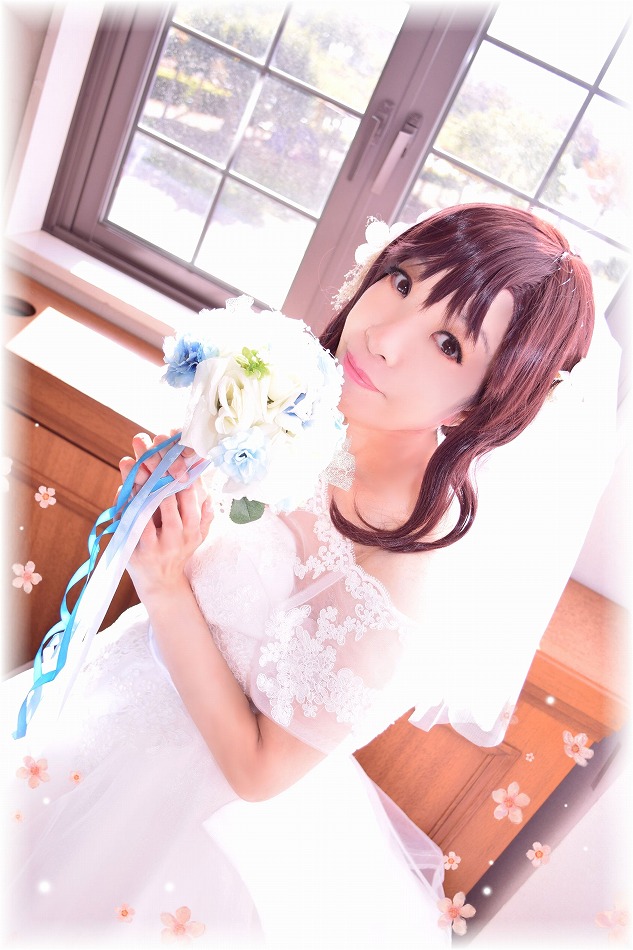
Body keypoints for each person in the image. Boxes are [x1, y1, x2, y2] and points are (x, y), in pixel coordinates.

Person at [3, 204, 619, 948]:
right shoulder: (313, 410)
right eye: (402, 281)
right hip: (114, 698)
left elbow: (257, 771)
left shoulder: (406, 573)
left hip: (182, 812)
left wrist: (164, 583)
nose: (384, 337)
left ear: (490, 403)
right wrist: (172, 511)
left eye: (449, 343)